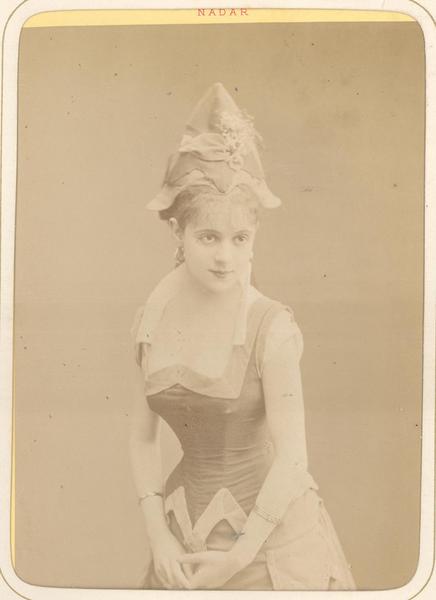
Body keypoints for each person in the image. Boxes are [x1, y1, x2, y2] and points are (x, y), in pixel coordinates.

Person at [129, 82, 356, 591]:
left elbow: (293, 458)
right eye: (208, 237)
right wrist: (158, 536)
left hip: (267, 545)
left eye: (240, 238)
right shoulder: (150, 321)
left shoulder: (272, 328)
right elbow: (142, 438)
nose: (224, 257)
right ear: (177, 232)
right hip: (183, 536)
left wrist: (237, 558)